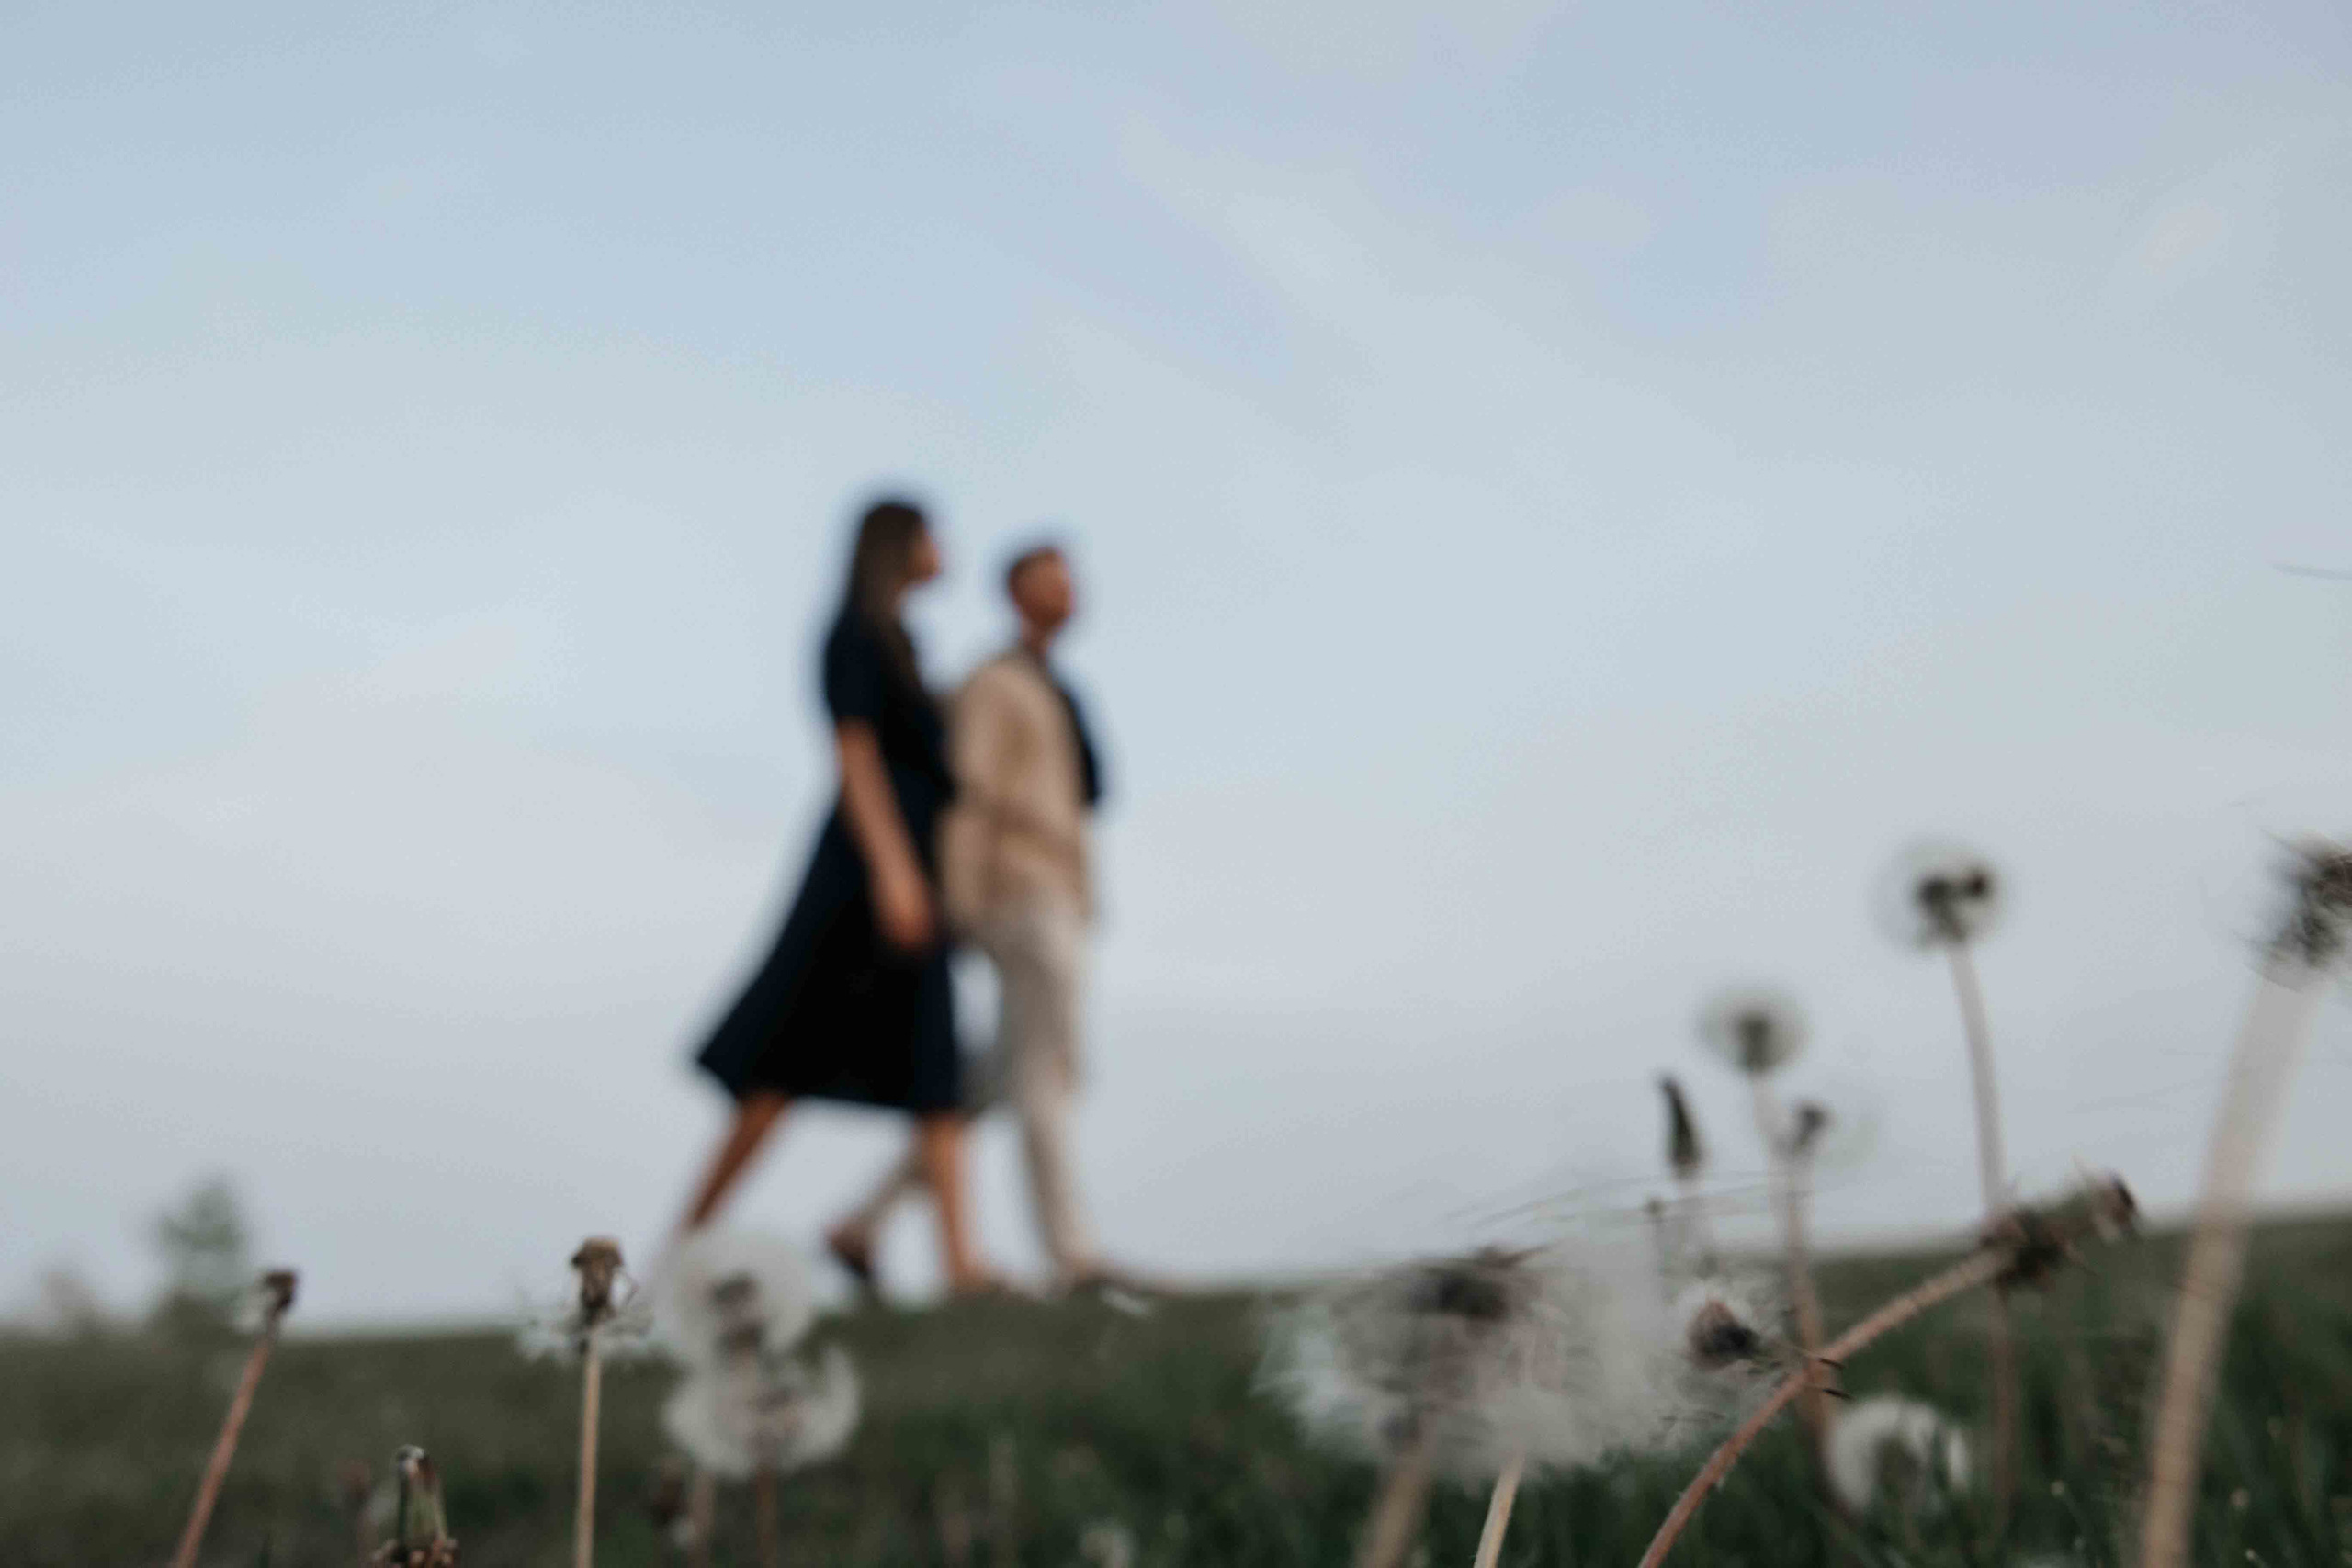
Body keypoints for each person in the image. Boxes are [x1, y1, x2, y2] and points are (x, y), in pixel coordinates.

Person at [673, 497, 995, 1293]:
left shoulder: (905, 641)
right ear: (898, 543)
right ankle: (679, 1251)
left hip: (914, 868)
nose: (942, 548)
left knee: (935, 1064)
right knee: (783, 1064)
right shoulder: (854, 633)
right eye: (930, 535)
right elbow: (855, 756)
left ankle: (960, 1264)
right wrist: (893, 872)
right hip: (863, 875)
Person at [826, 540, 1122, 1293]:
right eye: (1049, 580)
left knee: (997, 1078)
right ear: (1016, 593)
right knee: (1048, 1068)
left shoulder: (1055, 685)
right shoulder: (994, 683)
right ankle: (1074, 1254)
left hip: (1060, 888)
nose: (1067, 591)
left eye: (1070, 578)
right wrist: (958, 901)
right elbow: (968, 795)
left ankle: (862, 1221)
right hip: (1019, 892)